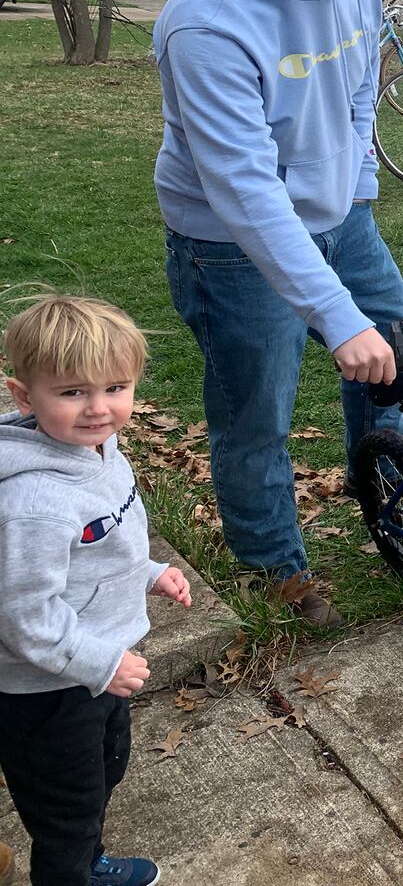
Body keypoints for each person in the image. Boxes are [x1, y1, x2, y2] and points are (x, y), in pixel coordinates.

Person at [154, 0, 403, 627]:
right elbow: (245, 192)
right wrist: (335, 319)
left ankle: (384, 492)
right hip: (230, 245)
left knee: (397, 361)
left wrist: (361, 185)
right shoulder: (208, 21)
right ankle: (275, 566)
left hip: (343, 221)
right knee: (255, 413)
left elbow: (360, 87)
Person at [1, 295, 193, 886]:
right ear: (23, 396)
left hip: (97, 669)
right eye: (72, 392)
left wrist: (146, 571)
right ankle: (73, 872)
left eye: (115, 387)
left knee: (103, 772)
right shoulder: (33, 504)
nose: (98, 409)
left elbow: (101, 546)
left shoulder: (96, 450)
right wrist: (101, 663)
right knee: (66, 814)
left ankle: (88, 863)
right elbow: (22, 616)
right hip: (49, 688)